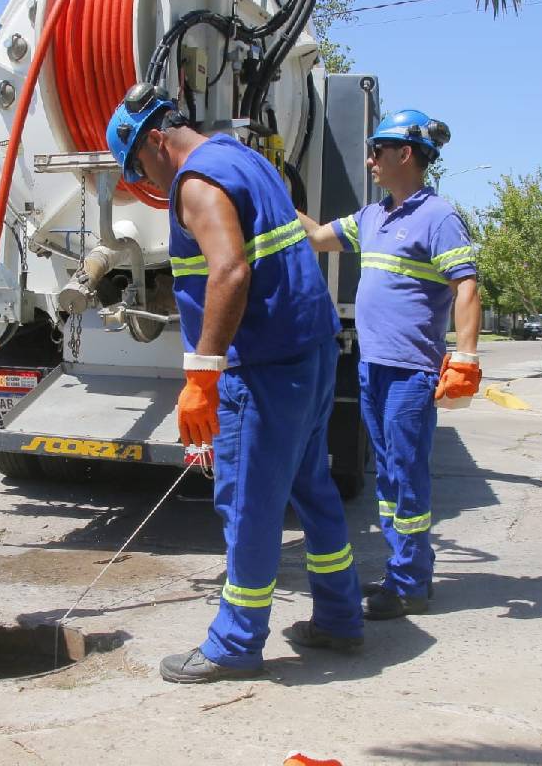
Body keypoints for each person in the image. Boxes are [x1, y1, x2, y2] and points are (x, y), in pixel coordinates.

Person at [106, 84, 364, 683]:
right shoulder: (241, 155)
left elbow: (229, 270)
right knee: (312, 487)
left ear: (154, 140)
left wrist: (201, 373)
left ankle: (235, 643)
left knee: (247, 501)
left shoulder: (195, 182)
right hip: (312, 347)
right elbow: (282, 234)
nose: (145, 176)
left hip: (264, 363)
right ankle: (339, 615)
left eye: (140, 164)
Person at [299, 109, 483, 620]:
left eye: (377, 150)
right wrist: (272, 196)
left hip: (410, 371)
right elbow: (317, 238)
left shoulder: (438, 217)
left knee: (404, 474)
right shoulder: (374, 217)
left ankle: (409, 584)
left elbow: (465, 285)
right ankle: (404, 571)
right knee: (386, 476)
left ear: (405, 154)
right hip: (373, 365)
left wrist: (465, 356)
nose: (370, 159)